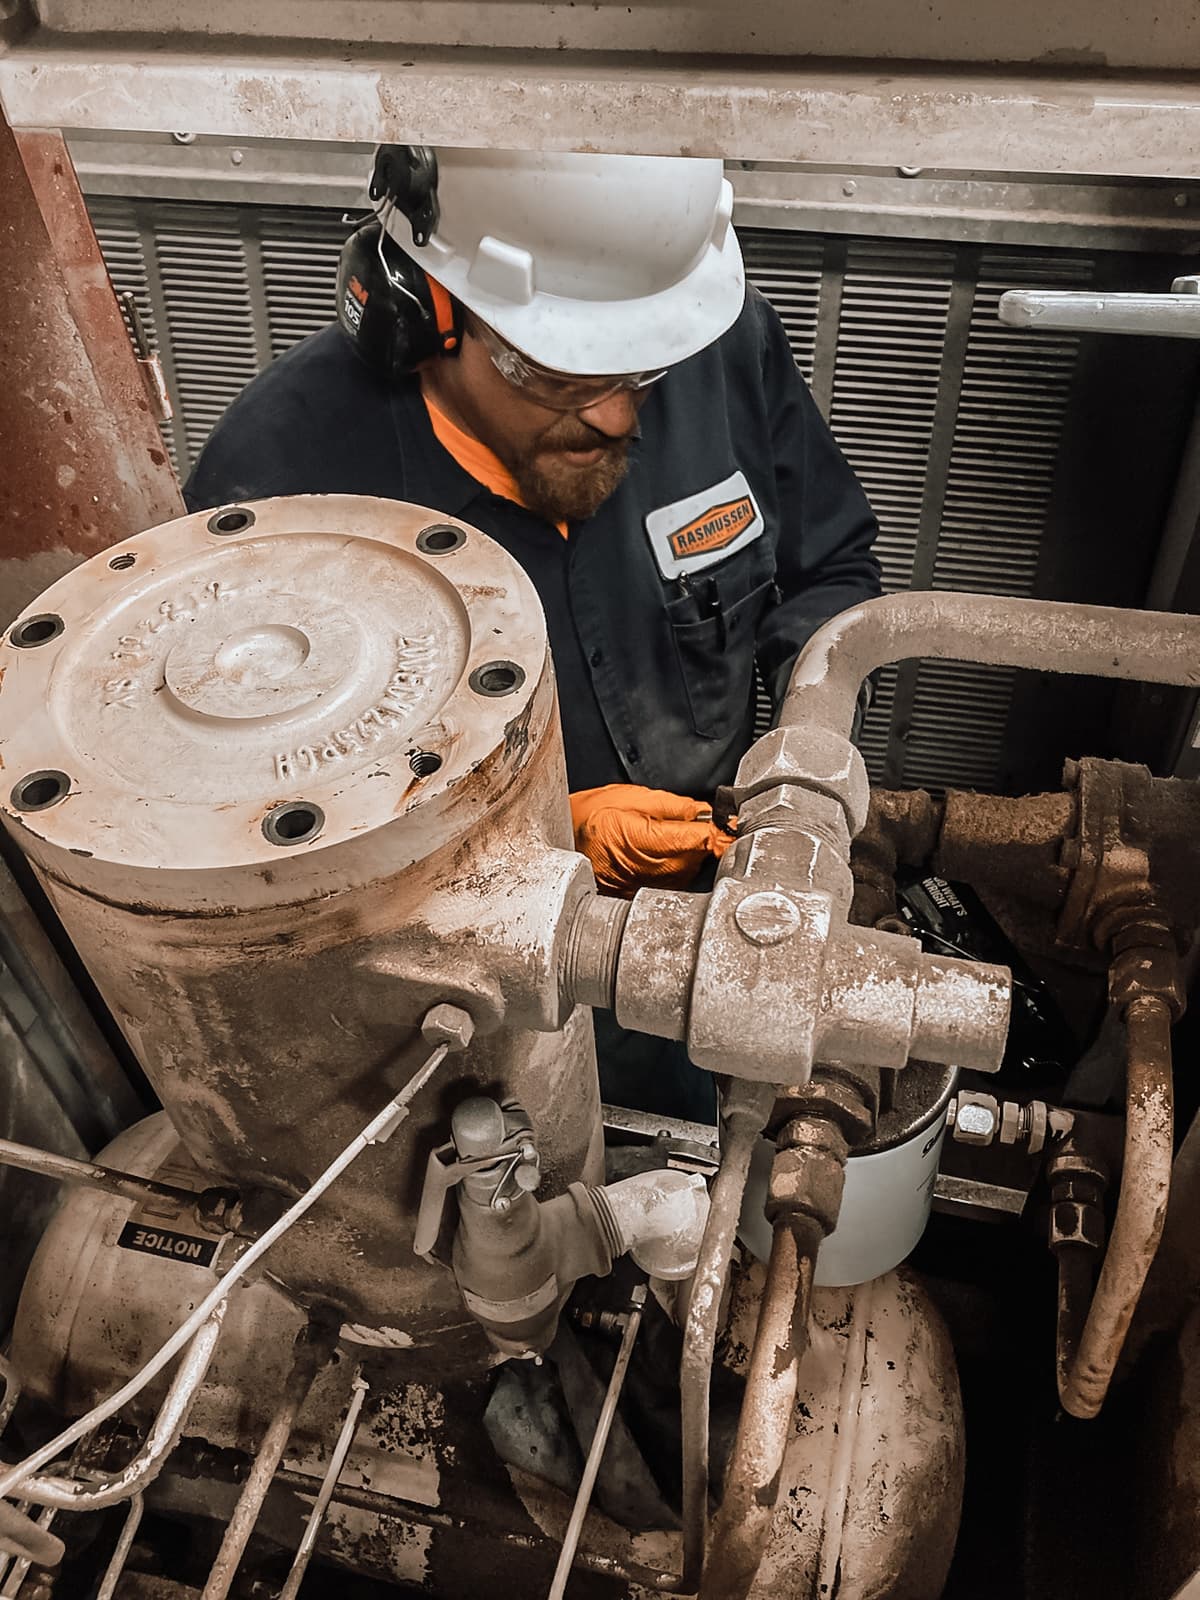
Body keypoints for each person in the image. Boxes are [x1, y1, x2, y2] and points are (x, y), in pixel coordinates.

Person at [184, 146, 882, 1119]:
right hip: (461, 1022)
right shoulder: (277, 486)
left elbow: (832, 575)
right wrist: (532, 843)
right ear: (421, 313)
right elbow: (256, 865)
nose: (612, 414)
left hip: (712, 934)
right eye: (556, 371)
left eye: (642, 369)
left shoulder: (719, 346)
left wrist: (802, 776)